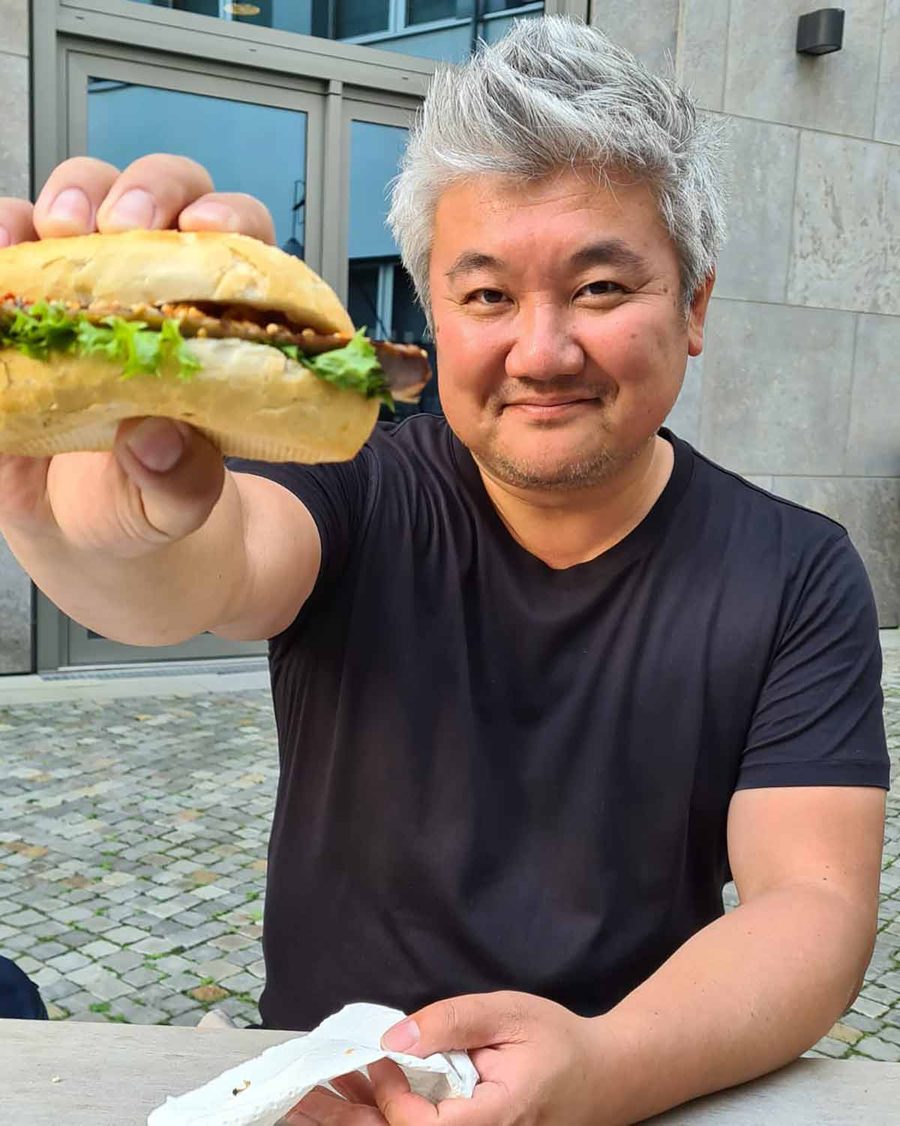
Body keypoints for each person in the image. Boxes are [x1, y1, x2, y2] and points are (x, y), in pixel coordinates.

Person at [0, 17, 888, 1124]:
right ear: (434, 312)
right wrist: (104, 530)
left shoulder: (797, 571)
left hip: (639, 1087)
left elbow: (811, 904)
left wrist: (602, 1065)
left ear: (694, 304)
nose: (542, 351)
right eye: (487, 296)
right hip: (332, 1096)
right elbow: (203, 565)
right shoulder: (356, 486)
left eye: (601, 288)